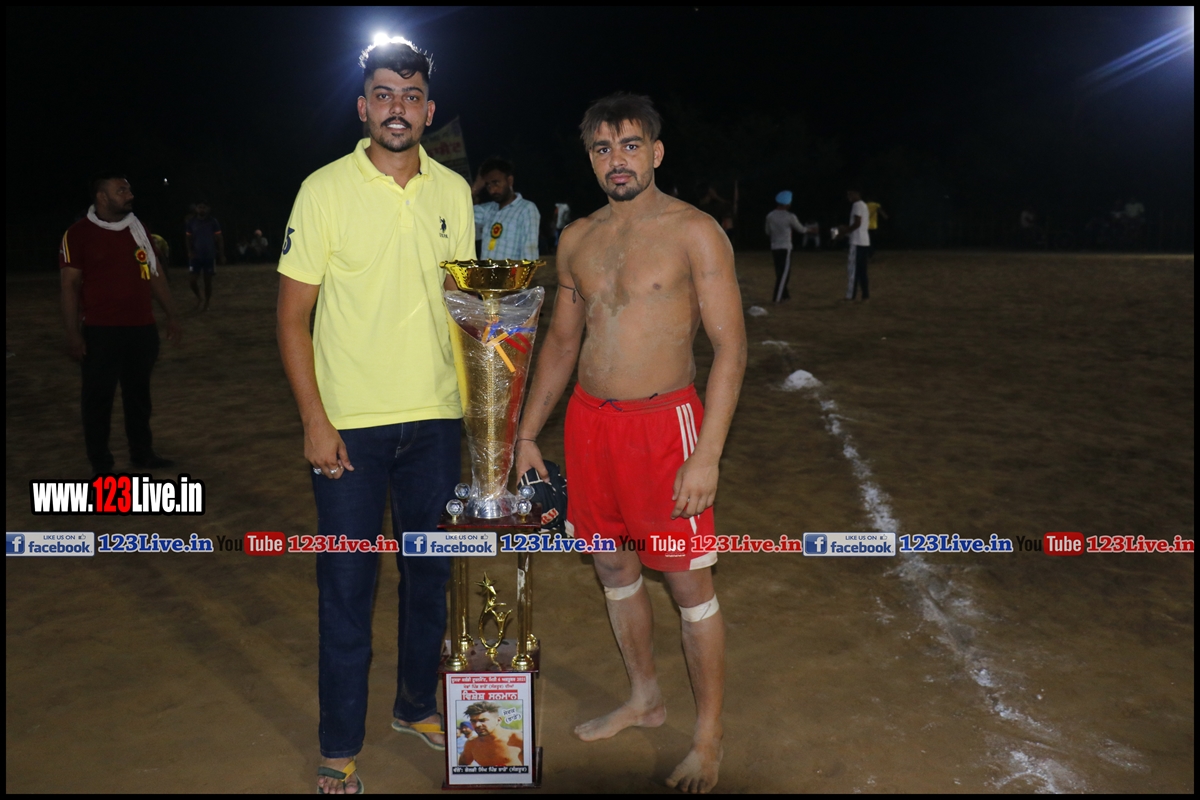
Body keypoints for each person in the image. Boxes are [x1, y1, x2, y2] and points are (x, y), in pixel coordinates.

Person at [515, 92, 746, 794]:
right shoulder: (577, 239)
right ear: (590, 159)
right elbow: (562, 343)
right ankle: (645, 697)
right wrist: (527, 433)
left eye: (630, 145)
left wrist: (706, 453)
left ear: (657, 153)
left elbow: (731, 349)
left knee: (688, 585)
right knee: (614, 569)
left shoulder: (695, 231)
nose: (617, 159)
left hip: (664, 429)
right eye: (602, 148)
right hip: (590, 426)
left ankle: (707, 738)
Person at [275, 36, 475, 795]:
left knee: (430, 578)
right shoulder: (322, 190)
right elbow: (292, 318)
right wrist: (314, 419)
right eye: (385, 95)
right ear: (363, 107)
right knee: (347, 586)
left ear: (429, 109)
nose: (399, 108)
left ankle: (416, 705)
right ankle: (339, 746)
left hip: (437, 421)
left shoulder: (454, 193)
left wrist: (480, 412)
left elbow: (464, 308)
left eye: (412, 96)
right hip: (349, 427)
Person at [59, 173, 182, 474]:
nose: (130, 195)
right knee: (98, 399)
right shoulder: (77, 234)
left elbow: (154, 273)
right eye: (121, 190)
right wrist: (73, 333)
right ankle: (101, 463)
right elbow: (69, 286)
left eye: (129, 189)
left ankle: (142, 453)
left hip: (141, 328)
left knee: (138, 397)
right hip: (101, 331)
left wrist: (171, 314)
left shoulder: (138, 229)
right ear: (102, 197)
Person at [471, 157, 540, 261]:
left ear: (510, 181)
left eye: (496, 183)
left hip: (512, 272)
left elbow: (529, 253)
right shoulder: (488, 210)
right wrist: (475, 188)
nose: (492, 190)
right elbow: (458, 213)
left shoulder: (526, 209)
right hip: (486, 271)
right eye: (488, 186)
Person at [764, 190, 808, 303]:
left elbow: (767, 231)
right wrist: (810, 230)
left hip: (774, 247)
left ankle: (785, 295)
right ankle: (777, 298)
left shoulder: (770, 216)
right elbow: (801, 229)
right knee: (784, 275)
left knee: (780, 272)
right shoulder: (790, 216)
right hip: (785, 247)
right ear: (787, 203)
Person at [185, 201, 225, 310]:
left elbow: (219, 238)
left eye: (204, 207)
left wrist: (221, 254)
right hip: (196, 256)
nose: (202, 209)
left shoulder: (213, 222)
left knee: (207, 281)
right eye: (200, 207)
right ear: (196, 209)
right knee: (192, 281)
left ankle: (206, 302)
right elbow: (188, 238)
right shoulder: (191, 222)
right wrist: (190, 251)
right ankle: (199, 297)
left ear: (208, 209)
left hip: (209, 255)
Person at [833, 188, 871, 301]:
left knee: (852, 270)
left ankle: (850, 295)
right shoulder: (864, 205)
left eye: (850, 194)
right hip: (864, 241)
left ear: (857, 193)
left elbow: (857, 224)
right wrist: (846, 231)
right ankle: (865, 294)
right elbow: (859, 225)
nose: (848, 196)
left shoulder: (856, 205)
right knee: (862, 271)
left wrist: (843, 232)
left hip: (856, 242)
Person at [457, 703, 523, 767]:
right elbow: (463, 765)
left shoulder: (517, 738)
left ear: (498, 720)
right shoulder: (472, 743)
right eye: (473, 721)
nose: (477, 725)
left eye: (483, 720)